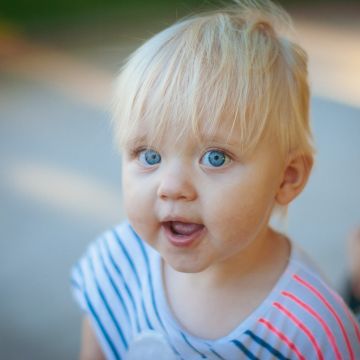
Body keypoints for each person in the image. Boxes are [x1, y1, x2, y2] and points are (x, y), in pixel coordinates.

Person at [70, 1, 360, 359]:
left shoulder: (312, 331)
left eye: (215, 158)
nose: (171, 186)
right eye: (149, 156)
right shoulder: (116, 265)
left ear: (286, 178)